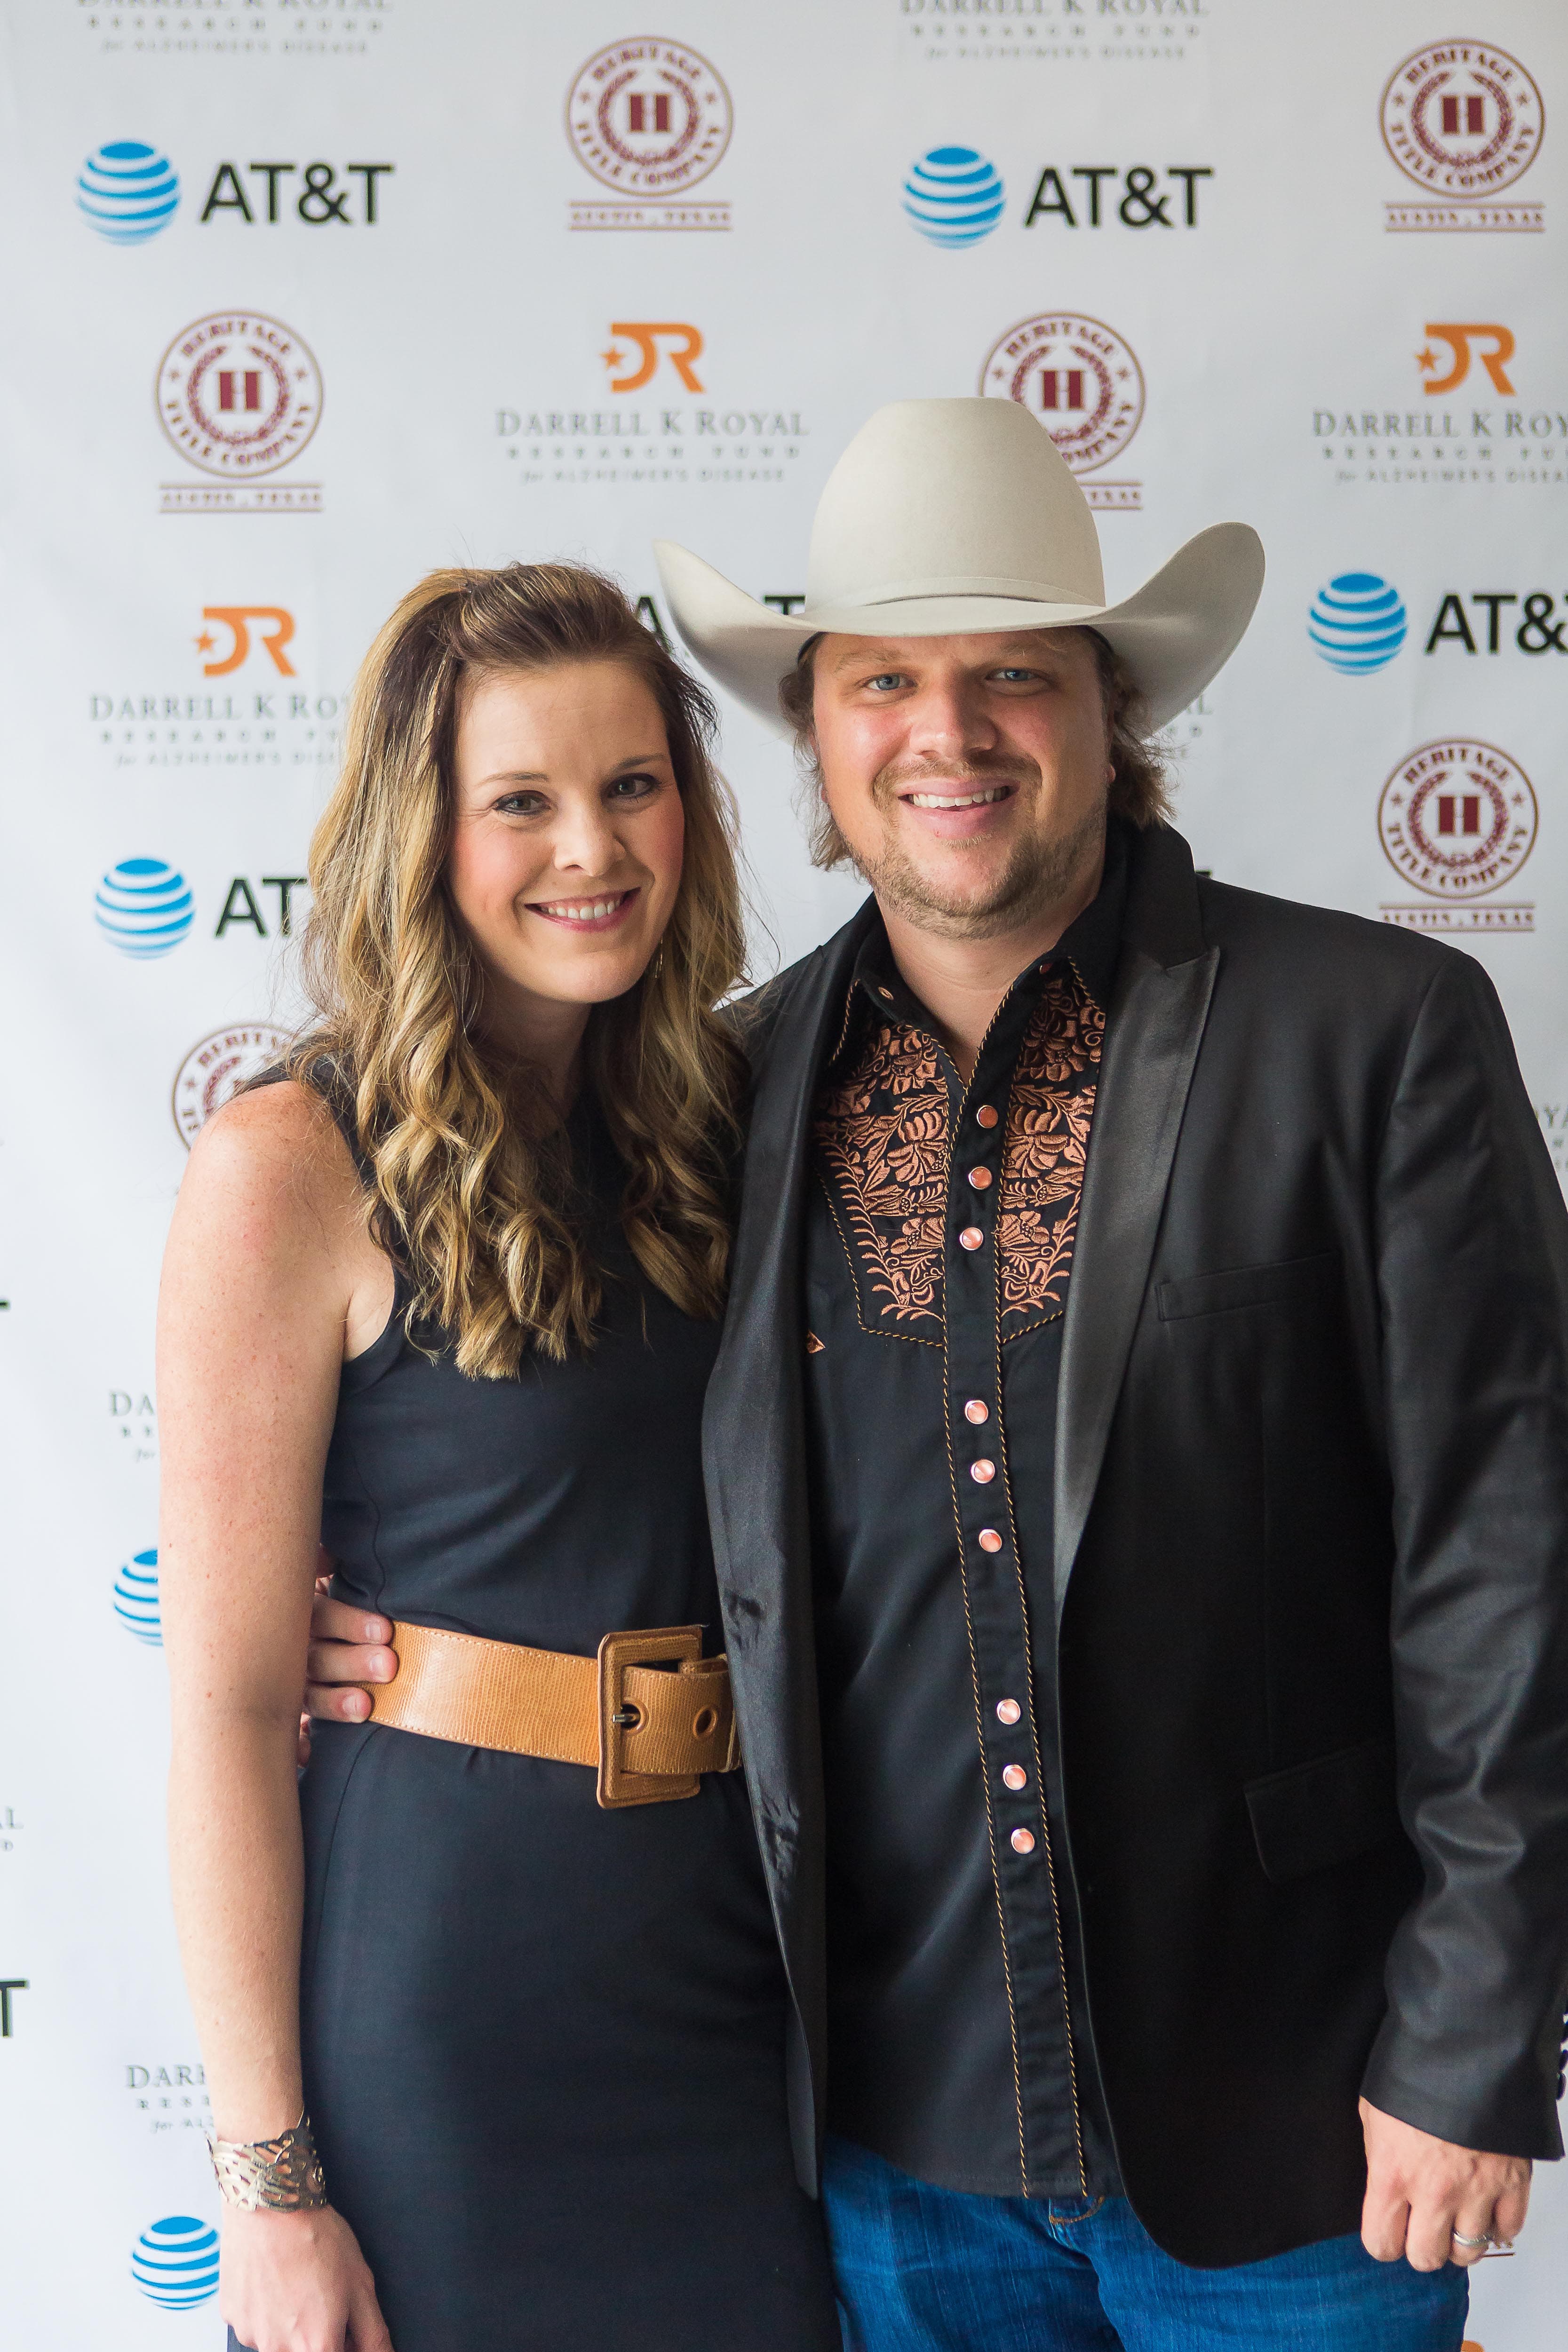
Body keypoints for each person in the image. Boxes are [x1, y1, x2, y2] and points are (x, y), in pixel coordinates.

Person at [302, 402, 1568, 2351]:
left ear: (1110, 710)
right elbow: (601, 1460)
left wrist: (1475, 2039)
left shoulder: (1373, 1031)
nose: (948, 734)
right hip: (891, 2163)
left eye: (1013, 676)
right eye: (884, 680)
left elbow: (1508, 1561)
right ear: (816, 734)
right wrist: (410, 1642)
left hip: (1300, 2125)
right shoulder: (724, 1096)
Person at [157, 563, 840, 2352]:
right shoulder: (288, 1167)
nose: (591, 848)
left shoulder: (743, 1120)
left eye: (633, 785)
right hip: (447, 2007)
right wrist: (269, 2188)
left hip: (737, 1988)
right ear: (423, 834)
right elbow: (228, 1712)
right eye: (519, 800)